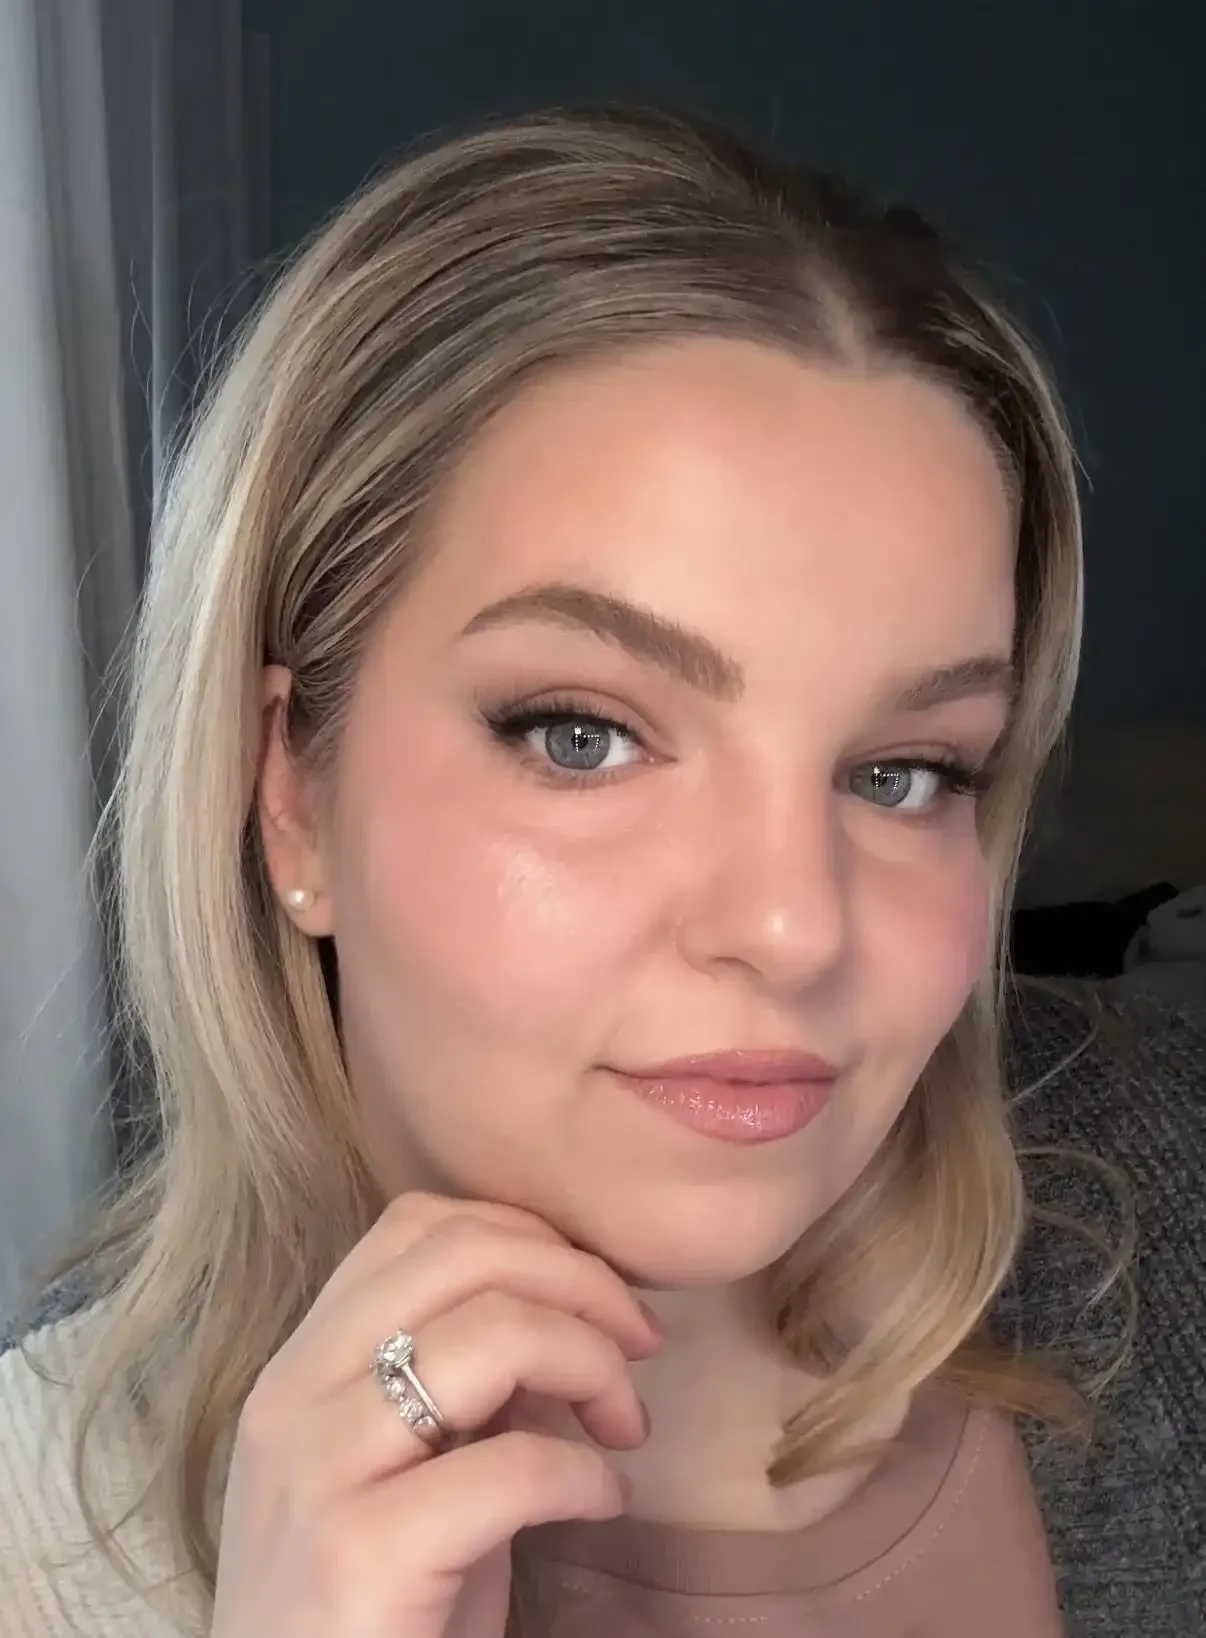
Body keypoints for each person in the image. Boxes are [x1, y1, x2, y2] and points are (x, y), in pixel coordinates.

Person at [0, 106, 1161, 1637]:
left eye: (902, 774)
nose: (788, 922)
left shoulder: (1162, 1228)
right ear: (290, 790)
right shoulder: (35, 1537)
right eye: (580, 737)